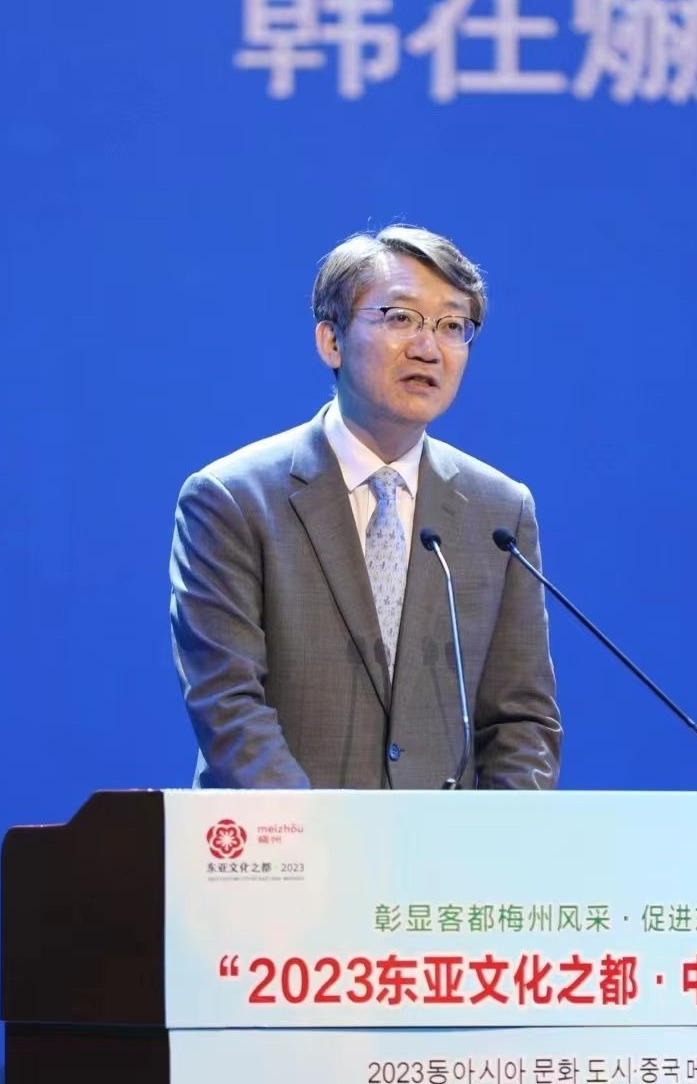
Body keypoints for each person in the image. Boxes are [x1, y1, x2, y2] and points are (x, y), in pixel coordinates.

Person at [169, 225, 562, 789]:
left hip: (444, 846)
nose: (428, 347)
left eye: (453, 326)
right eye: (400, 318)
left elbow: (521, 722)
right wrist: (321, 835)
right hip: (286, 840)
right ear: (331, 340)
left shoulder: (500, 510)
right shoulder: (233, 499)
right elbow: (229, 706)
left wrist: (495, 837)